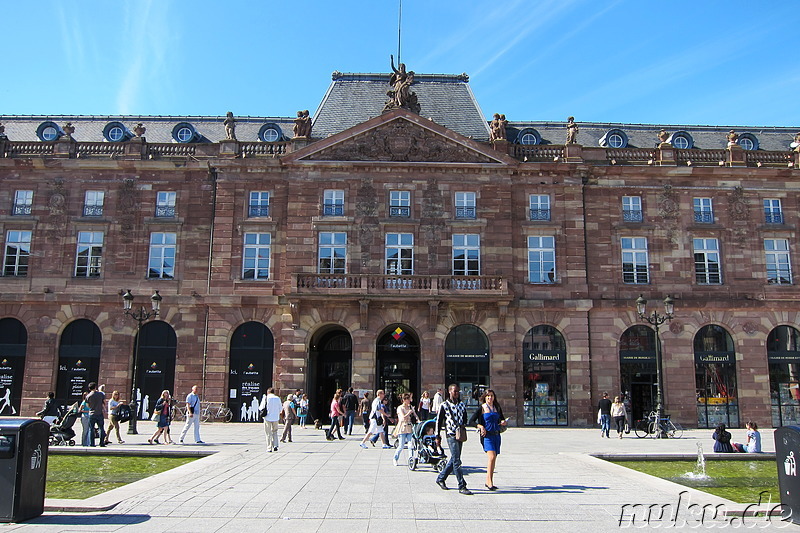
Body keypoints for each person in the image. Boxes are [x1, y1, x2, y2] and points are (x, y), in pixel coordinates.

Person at [435, 383, 472, 495]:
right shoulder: (444, 405)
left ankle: (441, 478)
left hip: (459, 434)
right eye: (454, 391)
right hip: (450, 434)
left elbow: (465, 418)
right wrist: (437, 435)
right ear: (449, 391)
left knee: (454, 459)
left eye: (457, 391)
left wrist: (462, 425)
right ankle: (462, 485)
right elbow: (439, 421)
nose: (456, 393)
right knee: (457, 461)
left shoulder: (461, 404)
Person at [469, 389, 506, 491]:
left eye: (492, 396)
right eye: (488, 396)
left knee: (494, 458)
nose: (490, 398)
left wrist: (503, 422)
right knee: (491, 457)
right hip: (487, 436)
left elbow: (501, 418)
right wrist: (480, 426)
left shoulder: (497, 407)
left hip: (496, 435)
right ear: (484, 397)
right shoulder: (482, 408)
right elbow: (471, 421)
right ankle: (490, 482)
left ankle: (488, 480)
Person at [393, 393, 416, 466]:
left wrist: (418, 420)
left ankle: (411, 460)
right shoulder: (400, 408)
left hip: (409, 427)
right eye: (408, 399)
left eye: (410, 399)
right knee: (401, 445)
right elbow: (403, 418)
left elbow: (415, 415)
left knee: (410, 445)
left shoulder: (410, 407)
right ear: (404, 400)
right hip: (402, 427)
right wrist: (409, 413)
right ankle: (395, 458)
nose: (410, 401)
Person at [259, 387, 282, 452]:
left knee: (268, 433)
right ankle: (275, 445)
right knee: (275, 431)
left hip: (267, 417)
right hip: (275, 418)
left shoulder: (266, 398)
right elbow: (281, 408)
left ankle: (269, 448)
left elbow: (261, 407)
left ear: (268, 392)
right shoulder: (278, 398)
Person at [85, 382, 106, 447]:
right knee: (101, 428)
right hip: (99, 413)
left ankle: (92, 443)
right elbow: (104, 402)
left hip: (92, 413)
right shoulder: (100, 394)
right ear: (95, 387)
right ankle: (101, 443)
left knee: (91, 429)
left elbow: (87, 405)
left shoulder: (88, 396)